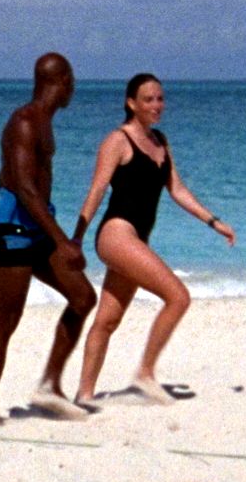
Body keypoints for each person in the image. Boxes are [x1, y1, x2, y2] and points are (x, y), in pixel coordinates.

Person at [70, 73, 235, 405]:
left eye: (160, 98)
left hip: (137, 239)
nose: (157, 105)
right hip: (116, 234)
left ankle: (84, 396)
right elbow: (97, 191)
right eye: (148, 99)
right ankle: (145, 373)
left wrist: (213, 221)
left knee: (107, 320)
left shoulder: (160, 141)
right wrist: (76, 239)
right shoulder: (117, 140)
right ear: (131, 103)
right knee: (178, 296)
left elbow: (177, 189)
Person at [0, 53, 97, 422]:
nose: (73, 88)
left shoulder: (44, 121)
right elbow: (25, 188)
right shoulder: (25, 122)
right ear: (61, 81)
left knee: (83, 297)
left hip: (39, 226)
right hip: (15, 228)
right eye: (71, 80)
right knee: (7, 319)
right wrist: (63, 241)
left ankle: (49, 384)